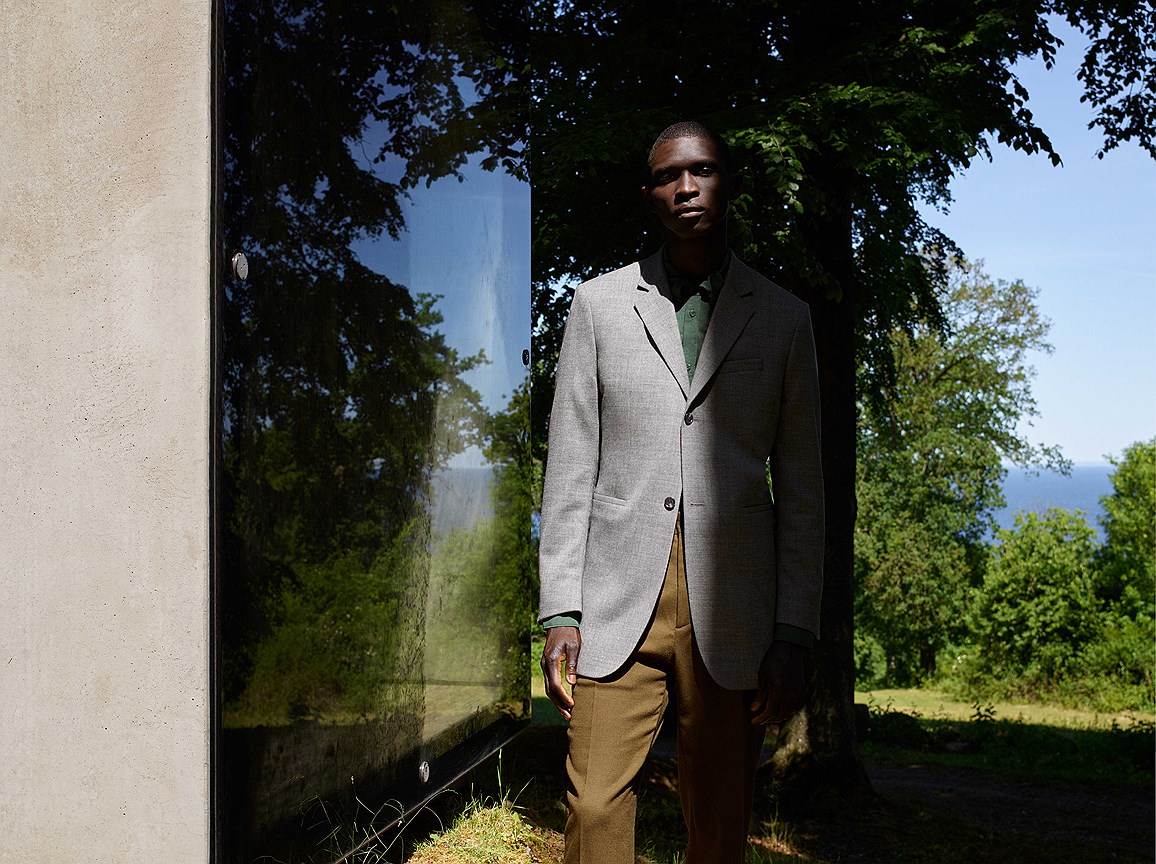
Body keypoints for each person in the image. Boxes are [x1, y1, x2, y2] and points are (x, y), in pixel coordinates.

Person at [537, 120, 825, 864]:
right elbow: (569, 467)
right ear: (649, 195)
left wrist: (794, 632)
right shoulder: (598, 306)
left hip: (735, 610)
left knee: (720, 821)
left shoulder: (784, 318)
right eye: (668, 176)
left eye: (701, 171)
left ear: (729, 182)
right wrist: (560, 610)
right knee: (594, 803)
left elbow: (802, 491)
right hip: (614, 599)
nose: (686, 187)